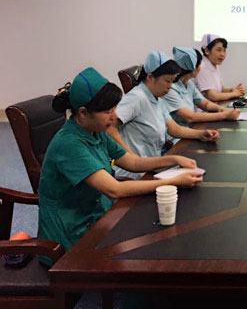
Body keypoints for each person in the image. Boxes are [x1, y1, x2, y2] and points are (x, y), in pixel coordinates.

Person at [37, 67, 202, 262]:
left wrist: (174, 159)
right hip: (71, 233)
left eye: (115, 109)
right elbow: (114, 189)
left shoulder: (95, 130)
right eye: (108, 111)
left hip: (97, 214)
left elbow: (132, 161)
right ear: (83, 112)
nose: (114, 116)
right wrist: (173, 181)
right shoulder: (69, 144)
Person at [107, 51, 219, 179]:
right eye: (167, 81)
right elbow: (109, 126)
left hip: (151, 167)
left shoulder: (157, 98)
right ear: (150, 77)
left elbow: (173, 128)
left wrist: (201, 134)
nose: (170, 86)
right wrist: (128, 156)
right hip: (133, 174)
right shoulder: (137, 97)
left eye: (172, 81)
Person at [163, 46, 241, 129]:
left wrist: (222, 109)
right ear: (194, 68)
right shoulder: (171, 89)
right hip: (178, 135)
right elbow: (189, 117)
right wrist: (224, 115)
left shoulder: (189, 84)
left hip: (190, 130)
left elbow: (205, 104)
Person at [194, 34, 245, 103]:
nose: (223, 54)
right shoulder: (202, 67)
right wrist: (234, 93)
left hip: (214, 106)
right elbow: (213, 96)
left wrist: (233, 89)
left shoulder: (214, 65)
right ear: (207, 51)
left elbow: (221, 89)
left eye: (224, 50)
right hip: (203, 109)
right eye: (219, 50)